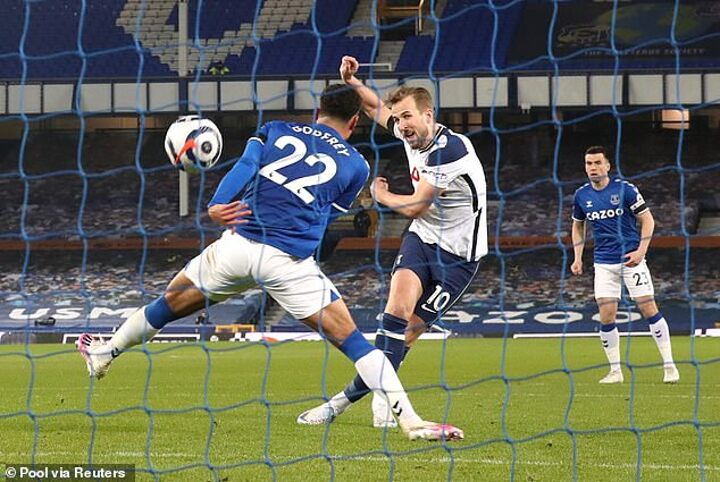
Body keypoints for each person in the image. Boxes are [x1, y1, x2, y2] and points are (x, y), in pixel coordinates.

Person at [76, 84, 463, 442]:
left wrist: (217, 204)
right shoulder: (358, 166)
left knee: (165, 305)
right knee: (358, 345)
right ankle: (411, 422)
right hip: (289, 265)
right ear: (353, 123)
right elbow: (330, 214)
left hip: (238, 247)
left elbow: (245, 166)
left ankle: (105, 353)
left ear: (317, 112)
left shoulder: (275, 129)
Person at [297, 56, 487, 428]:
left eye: (407, 117)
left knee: (407, 334)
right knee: (394, 313)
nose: (401, 125)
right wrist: (352, 81)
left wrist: (380, 195)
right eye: (398, 119)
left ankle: (340, 402)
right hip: (423, 239)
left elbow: (416, 206)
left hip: (459, 258)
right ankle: (367, 405)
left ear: (428, 115)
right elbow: (373, 107)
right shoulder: (408, 132)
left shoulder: (451, 150)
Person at [570, 145, 679, 384]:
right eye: (589, 163)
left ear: (607, 165)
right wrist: (577, 257)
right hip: (603, 263)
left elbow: (648, 220)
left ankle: (669, 366)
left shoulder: (625, 190)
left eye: (598, 162)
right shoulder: (581, 195)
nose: (593, 167)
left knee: (648, 309)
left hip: (631, 260)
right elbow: (578, 226)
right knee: (606, 316)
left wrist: (641, 251)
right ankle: (615, 371)